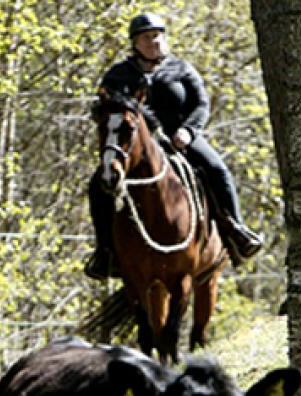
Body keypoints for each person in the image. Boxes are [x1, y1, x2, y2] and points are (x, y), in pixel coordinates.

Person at [84, 12, 264, 280]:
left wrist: (189, 132)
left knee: (217, 169)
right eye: (146, 37)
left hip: (180, 139)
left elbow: (201, 104)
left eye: (157, 36)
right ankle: (104, 251)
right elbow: (103, 107)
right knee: (98, 184)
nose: (153, 41)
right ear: (135, 43)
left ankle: (236, 230)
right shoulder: (118, 75)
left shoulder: (181, 69)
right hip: (136, 146)